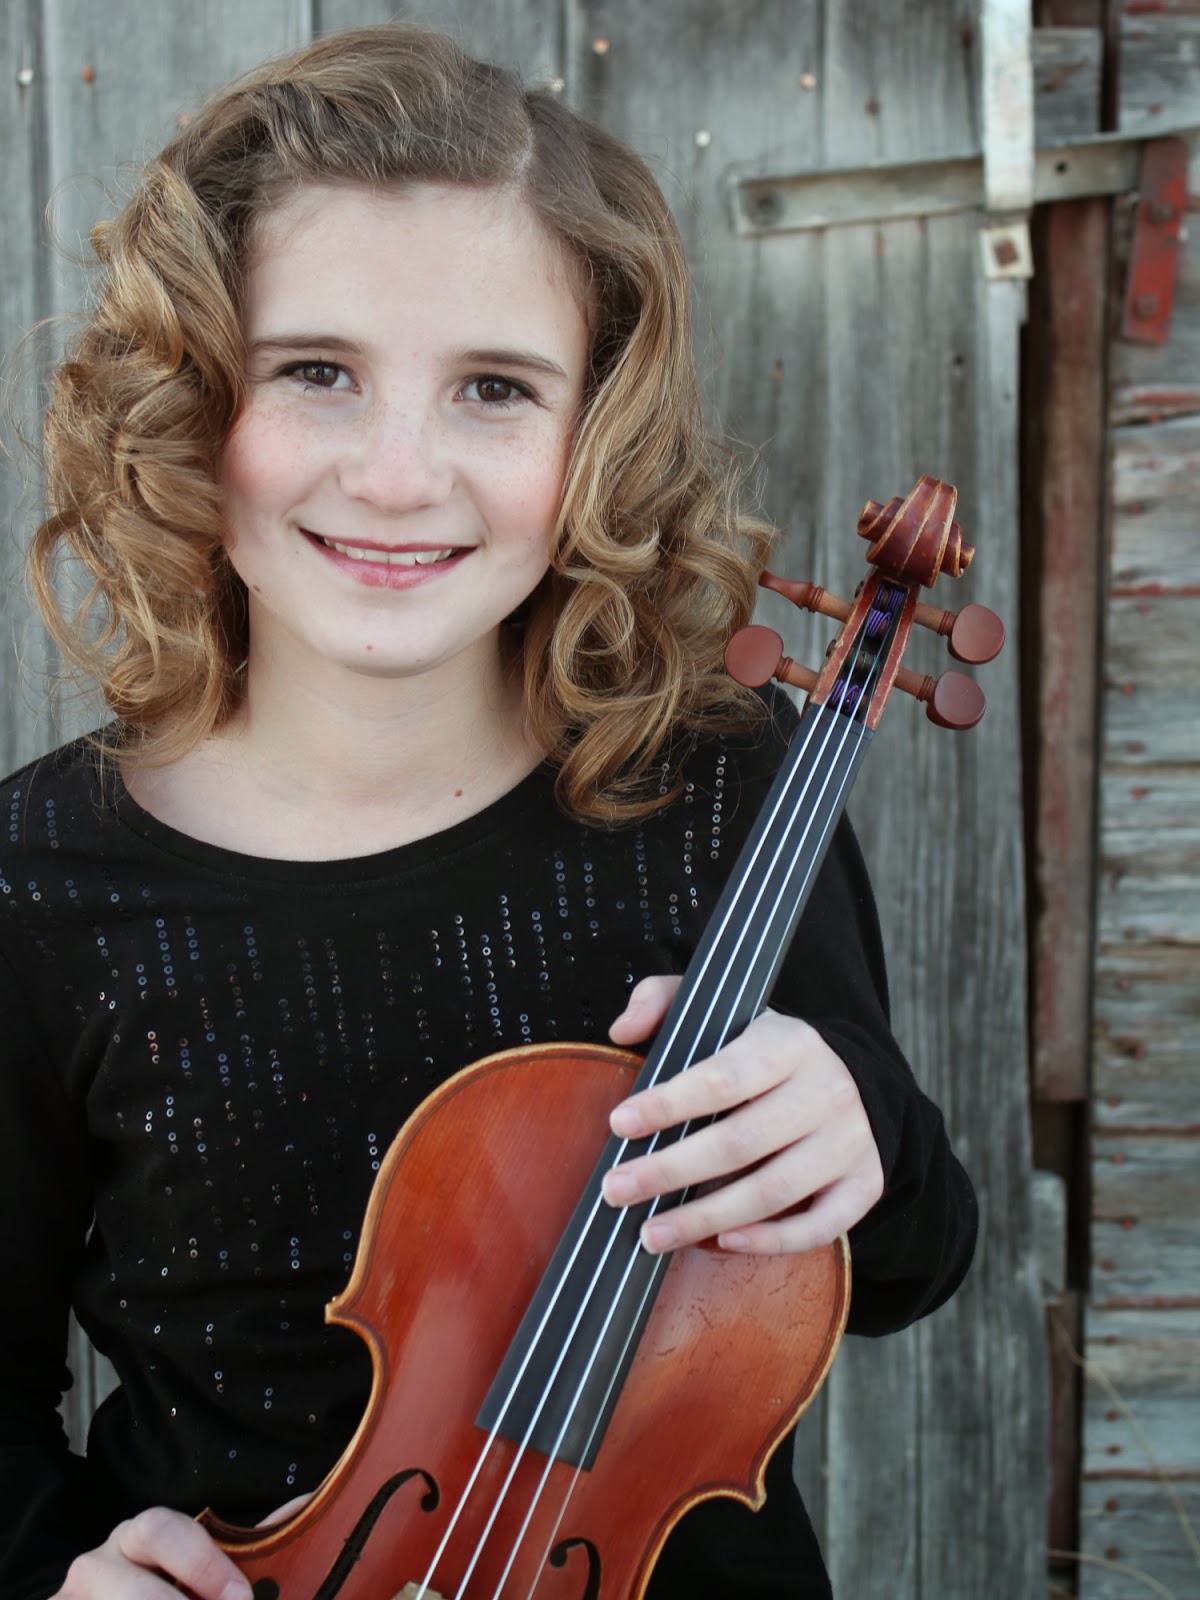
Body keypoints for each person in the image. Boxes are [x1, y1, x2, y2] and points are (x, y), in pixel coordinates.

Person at [0, 23, 977, 1600]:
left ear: (594, 434)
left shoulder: (721, 784)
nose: (398, 477)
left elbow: (912, 1264)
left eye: (495, 389)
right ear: (188, 399)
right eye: (315, 372)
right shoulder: (43, 884)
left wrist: (857, 1124)